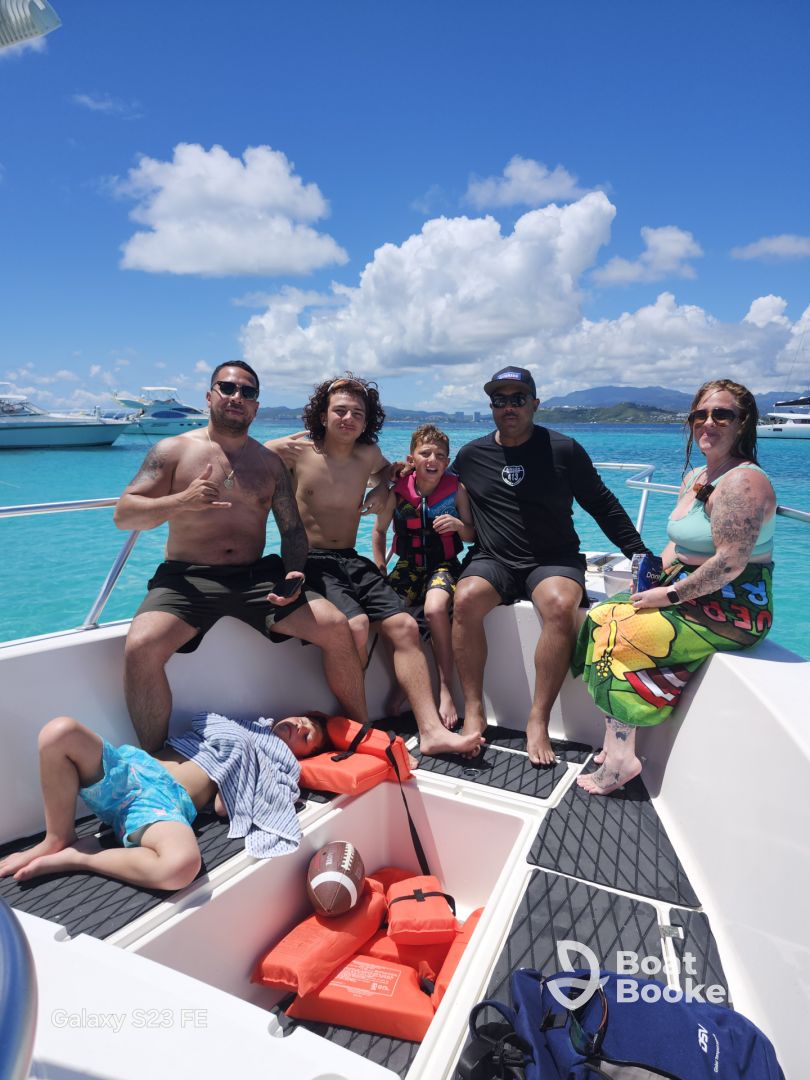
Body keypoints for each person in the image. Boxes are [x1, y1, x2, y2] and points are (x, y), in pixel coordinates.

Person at [114, 361, 368, 754]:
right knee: (140, 647)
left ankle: (361, 734)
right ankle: (155, 761)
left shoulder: (268, 463)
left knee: (336, 626)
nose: (237, 397)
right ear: (209, 396)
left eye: (248, 392)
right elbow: (125, 514)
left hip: (255, 578)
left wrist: (295, 573)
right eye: (228, 388)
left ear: (256, 406)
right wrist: (182, 501)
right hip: (187, 578)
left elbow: (292, 530)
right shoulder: (172, 451)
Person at [572, 379, 776, 796]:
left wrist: (666, 596)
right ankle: (614, 740)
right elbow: (676, 545)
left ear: (743, 423)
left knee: (625, 633)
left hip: (734, 605)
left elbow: (730, 562)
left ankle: (623, 759)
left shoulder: (743, 482)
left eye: (722, 414)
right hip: (686, 588)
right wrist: (647, 580)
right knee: (601, 615)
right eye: (700, 414)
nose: (708, 422)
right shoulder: (697, 476)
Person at [267, 375, 485, 758]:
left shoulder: (368, 454)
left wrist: (383, 486)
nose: (348, 418)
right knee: (357, 626)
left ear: (367, 421)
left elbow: (391, 471)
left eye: (357, 413)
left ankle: (431, 731)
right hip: (312, 559)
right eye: (340, 410)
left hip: (351, 557)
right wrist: (268, 446)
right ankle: (360, 732)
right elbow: (244, 461)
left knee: (404, 626)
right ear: (322, 415)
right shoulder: (297, 451)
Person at [451, 366, 650, 766]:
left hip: (553, 558)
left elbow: (602, 504)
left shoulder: (564, 450)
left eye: (518, 398)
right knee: (465, 598)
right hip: (494, 558)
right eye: (500, 400)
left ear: (535, 404)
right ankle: (473, 709)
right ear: (491, 406)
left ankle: (538, 719)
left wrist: (639, 554)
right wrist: (392, 482)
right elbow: (434, 488)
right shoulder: (471, 456)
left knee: (560, 605)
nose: (509, 407)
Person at [0, 713, 327, 887]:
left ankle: (82, 857)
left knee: (180, 867)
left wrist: (249, 770)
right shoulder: (241, 723)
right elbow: (200, 724)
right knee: (59, 732)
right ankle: (57, 838)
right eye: (303, 719)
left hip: (159, 805)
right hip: (130, 768)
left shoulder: (276, 765)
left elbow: (223, 807)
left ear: (302, 755)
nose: (301, 726)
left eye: (308, 735)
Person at [372, 424, 475, 727]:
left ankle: (445, 688)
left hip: (443, 565)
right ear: (412, 458)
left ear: (447, 461)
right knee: (385, 614)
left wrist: (458, 526)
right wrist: (380, 568)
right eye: (426, 453)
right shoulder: (397, 492)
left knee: (435, 609)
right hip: (407, 565)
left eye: (440, 456)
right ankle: (402, 684)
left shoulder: (457, 490)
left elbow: (471, 535)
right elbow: (378, 533)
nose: (433, 460)